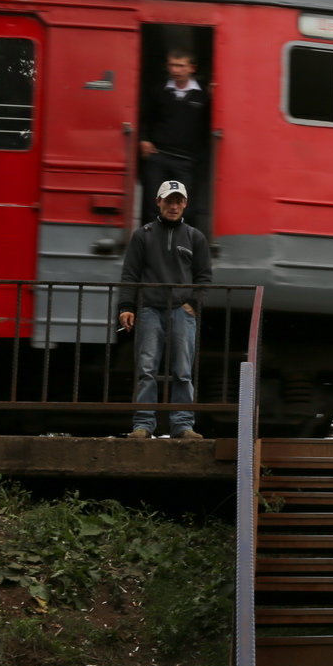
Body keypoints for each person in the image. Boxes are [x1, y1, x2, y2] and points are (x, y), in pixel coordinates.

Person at [118, 180, 212, 439]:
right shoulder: (143, 235)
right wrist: (126, 306)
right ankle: (143, 425)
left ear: (185, 204)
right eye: (169, 201)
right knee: (147, 369)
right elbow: (130, 274)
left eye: (178, 201)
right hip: (149, 309)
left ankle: (183, 425)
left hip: (183, 311)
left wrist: (193, 303)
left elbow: (204, 276)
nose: (174, 206)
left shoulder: (195, 237)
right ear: (158, 202)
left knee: (182, 370)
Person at [139, 50, 209, 227]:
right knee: (153, 204)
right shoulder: (158, 89)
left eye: (180, 65)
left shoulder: (204, 94)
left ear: (191, 68)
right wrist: (144, 138)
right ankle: (152, 244)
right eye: (172, 65)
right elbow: (145, 116)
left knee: (184, 207)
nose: (175, 70)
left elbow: (210, 125)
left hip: (187, 160)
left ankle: (179, 245)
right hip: (158, 156)